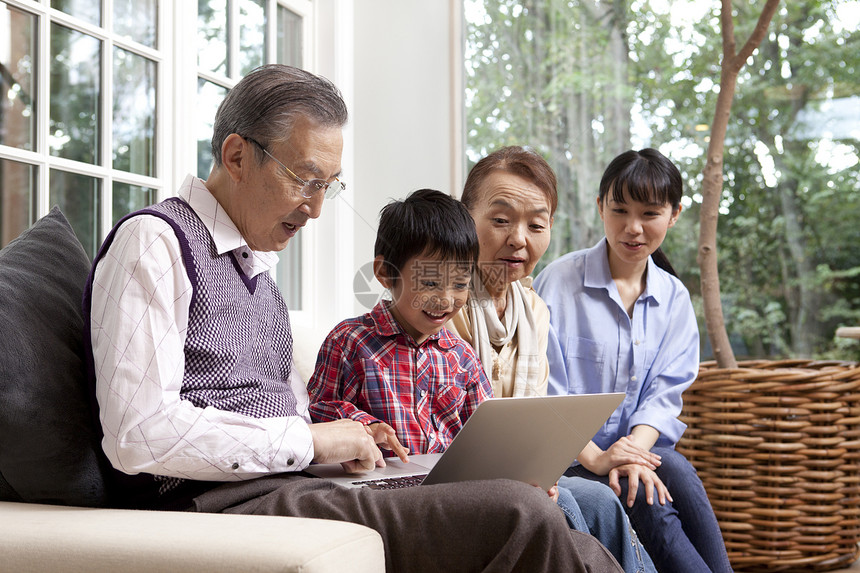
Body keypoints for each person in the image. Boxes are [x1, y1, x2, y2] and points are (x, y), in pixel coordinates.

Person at [83, 64, 622, 573]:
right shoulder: (153, 241)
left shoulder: (255, 270)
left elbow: (279, 413)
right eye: (305, 179)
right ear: (237, 156)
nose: (316, 209)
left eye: (328, 186)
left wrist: (344, 440)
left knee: (557, 521)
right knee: (515, 511)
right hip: (216, 502)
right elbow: (138, 434)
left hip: (291, 482)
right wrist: (315, 440)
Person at [447, 146, 656, 573]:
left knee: (602, 497)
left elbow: (538, 417)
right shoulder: (440, 303)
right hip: (464, 481)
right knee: (572, 506)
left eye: (535, 224)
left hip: (525, 474)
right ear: (465, 218)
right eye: (501, 220)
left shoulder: (535, 309)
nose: (519, 239)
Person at [533, 148, 733, 573]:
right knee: (647, 489)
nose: (633, 228)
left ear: (674, 214)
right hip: (574, 460)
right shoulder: (559, 282)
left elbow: (664, 394)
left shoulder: (674, 298)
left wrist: (628, 454)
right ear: (600, 205)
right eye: (619, 209)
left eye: (650, 213)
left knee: (669, 470)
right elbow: (546, 391)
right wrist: (598, 459)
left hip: (637, 452)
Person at [308, 189, 493, 461]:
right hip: (381, 481)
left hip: (448, 483)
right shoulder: (350, 341)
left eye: (460, 284)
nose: (445, 299)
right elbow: (316, 410)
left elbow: (488, 433)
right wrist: (364, 425)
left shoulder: (462, 356)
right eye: (429, 283)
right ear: (385, 273)